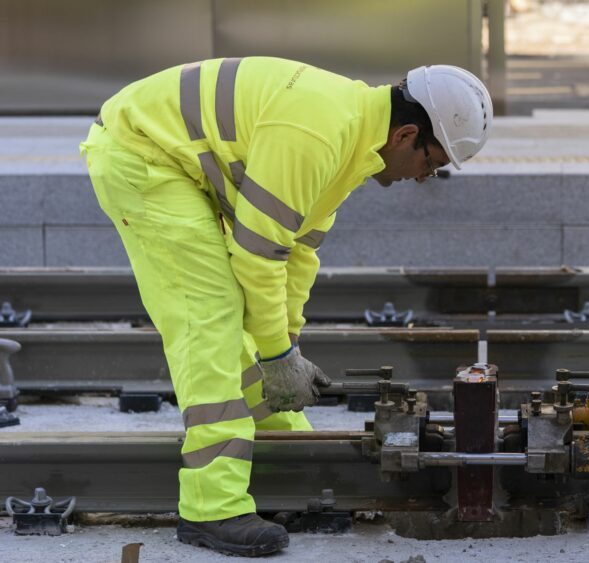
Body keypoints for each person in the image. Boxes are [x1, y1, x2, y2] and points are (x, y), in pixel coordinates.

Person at [80, 57, 493, 557]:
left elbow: (297, 253)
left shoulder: (354, 140)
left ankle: (288, 462)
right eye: (433, 162)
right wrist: (277, 357)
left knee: (243, 319)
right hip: (144, 155)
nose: (425, 177)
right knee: (208, 318)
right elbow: (258, 255)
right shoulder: (320, 133)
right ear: (406, 134)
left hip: (178, 160)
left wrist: (288, 348)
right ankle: (212, 508)